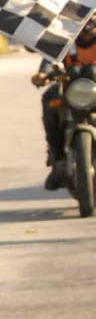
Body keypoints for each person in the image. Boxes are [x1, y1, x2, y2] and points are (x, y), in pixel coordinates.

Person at [32, 18, 96, 190]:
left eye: (93, 16)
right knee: (49, 101)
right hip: (71, 92)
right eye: (87, 18)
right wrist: (43, 74)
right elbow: (50, 58)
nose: (89, 22)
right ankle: (58, 160)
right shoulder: (66, 39)